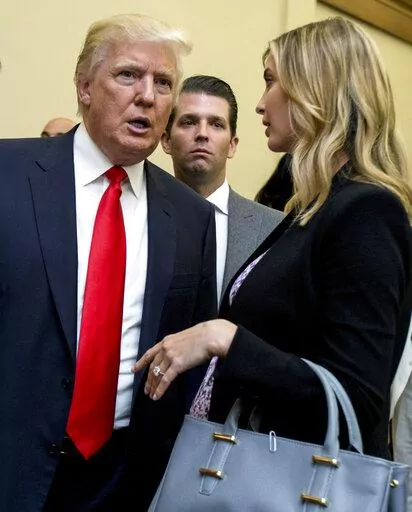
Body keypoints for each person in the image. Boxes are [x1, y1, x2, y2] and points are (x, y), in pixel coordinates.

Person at [134, 16, 412, 469]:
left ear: (314, 89)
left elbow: (356, 401)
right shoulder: (311, 208)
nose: (261, 104)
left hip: (297, 480)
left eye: (270, 81)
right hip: (255, 465)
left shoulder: (366, 210)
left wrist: (225, 338)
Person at [0, 13, 217, 512]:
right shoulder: (9, 174)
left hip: (124, 482)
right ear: (84, 86)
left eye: (163, 83)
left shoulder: (192, 217)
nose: (147, 96)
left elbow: (189, 366)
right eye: (128, 75)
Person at [161, 74, 283, 304]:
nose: (202, 134)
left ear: (232, 145)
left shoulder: (275, 229)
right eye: (189, 122)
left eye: (216, 124)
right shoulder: (140, 216)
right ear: (166, 140)